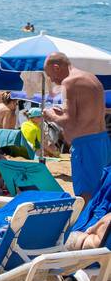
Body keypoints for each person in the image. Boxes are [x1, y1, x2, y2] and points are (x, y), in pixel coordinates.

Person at [43, 52, 109, 201]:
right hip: (102, 141)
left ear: (56, 67)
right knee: (102, 192)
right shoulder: (91, 77)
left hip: (85, 144)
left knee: (85, 195)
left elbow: (68, 121)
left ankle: (85, 224)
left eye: (50, 75)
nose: (52, 80)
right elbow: (87, 112)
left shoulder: (69, 82)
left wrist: (50, 115)